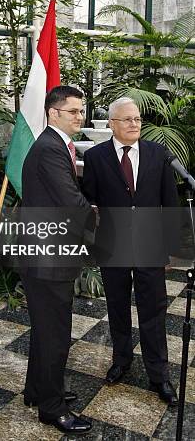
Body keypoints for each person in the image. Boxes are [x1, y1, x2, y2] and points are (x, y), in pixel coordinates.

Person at [83, 96, 179, 405]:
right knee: (118, 307)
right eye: (127, 119)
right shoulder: (96, 158)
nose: (134, 124)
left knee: (153, 310)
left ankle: (159, 374)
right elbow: (90, 202)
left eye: (137, 119)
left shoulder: (158, 154)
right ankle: (121, 361)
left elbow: (170, 204)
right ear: (111, 124)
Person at [20, 85, 95, 435]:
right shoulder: (50, 148)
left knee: (46, 330)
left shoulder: (57, 145)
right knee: (55, 335)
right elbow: (71, 202)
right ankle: (52, 409)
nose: (80, 116)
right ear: (53, 113)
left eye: (82, 111)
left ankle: (38, 390)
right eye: (73, 111)